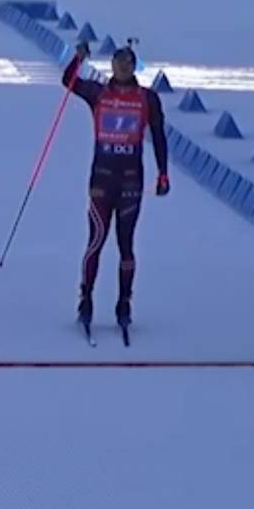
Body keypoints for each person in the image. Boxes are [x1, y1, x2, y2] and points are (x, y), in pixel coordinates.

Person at [62, 42, 169, 331]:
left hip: (131, 181)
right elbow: (68, 81)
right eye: (118, 64)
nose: (122, 69)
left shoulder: (147, 98)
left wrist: (163, 174)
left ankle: (124, 303)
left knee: (126, 245)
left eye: (127, 64)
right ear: (112, 66)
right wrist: (78, 58)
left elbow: (159, 136)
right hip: (102, 180)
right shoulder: (98, 93)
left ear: (134, 67)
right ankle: (86, 299)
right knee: (95, 241)